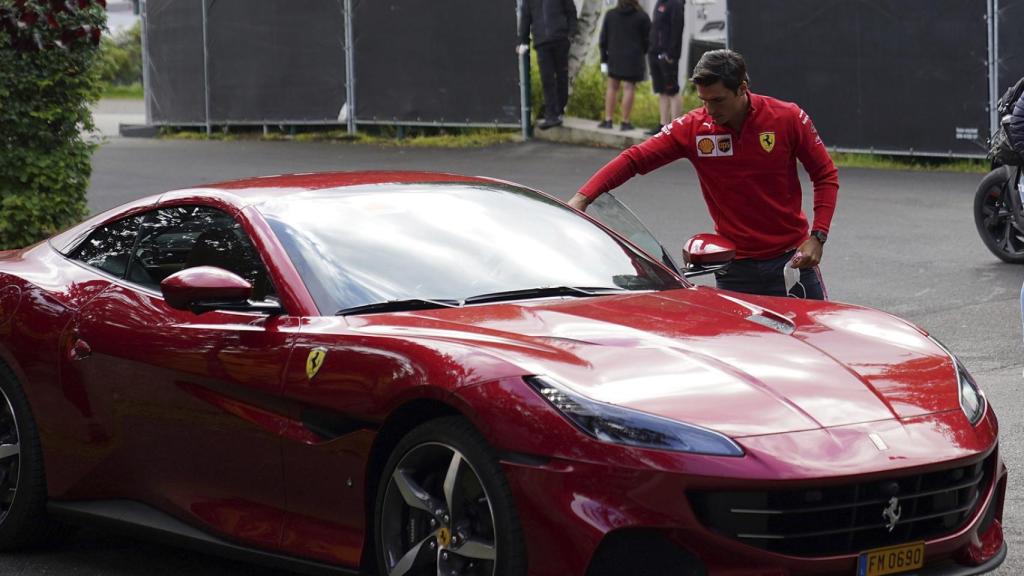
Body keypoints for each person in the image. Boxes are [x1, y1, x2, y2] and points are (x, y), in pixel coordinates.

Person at [568, 49, 840, 300]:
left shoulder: (787, 117)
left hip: (793, 262)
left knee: (814, 336)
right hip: (734, 270)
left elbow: (825, 175)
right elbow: (634, 159)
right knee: (738, 341)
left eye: (718, 100)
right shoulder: (693, 128)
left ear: (742, 89)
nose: (710, 110)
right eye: (704, 101)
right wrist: (582, 199)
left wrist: (818, 237)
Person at [518, 0, 578, 130]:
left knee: (562, 77)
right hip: (542, 43)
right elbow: (526, 17)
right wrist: (523, 41)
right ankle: (551, 115)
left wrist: (571, 35)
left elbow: (571, 11)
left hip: (560, 39)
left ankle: (559, 109)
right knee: (547, 79)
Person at [598, 0, 651, 132]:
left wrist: (604, 60)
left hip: (614, 57)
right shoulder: (642, 17)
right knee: (629, 88)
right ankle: (625, 122)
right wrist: (641, 52)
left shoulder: (611, 15)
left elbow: (603, 39)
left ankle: (608, 120)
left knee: (612, 87)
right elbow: (648, 40)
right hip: (634, 58)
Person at [645, 0, 684, 136]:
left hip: (667, 55)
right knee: (662, 90)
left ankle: (675, 128)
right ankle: (663, 125)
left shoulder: (676, 4)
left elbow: (677, 29)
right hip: (654, 52)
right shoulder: (660, 3)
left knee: (672, 90)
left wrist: (671, 54)